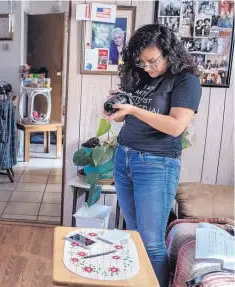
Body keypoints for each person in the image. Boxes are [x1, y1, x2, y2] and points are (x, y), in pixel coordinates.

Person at [104, 24, 202, 287]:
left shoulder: (186, 80)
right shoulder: (140, 75)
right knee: (134, 235)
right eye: (142, 62)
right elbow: (131, 117)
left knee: (152, 243)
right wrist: (119, 112)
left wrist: (134, 110)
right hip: (125, 157)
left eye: (153, 61)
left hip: (157, 165)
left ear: (169, 52)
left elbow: (175, 126)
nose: (147, 67)